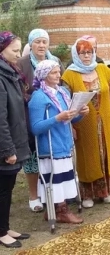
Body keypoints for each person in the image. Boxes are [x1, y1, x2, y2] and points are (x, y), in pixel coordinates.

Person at [62, 38, 110, 208]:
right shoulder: (69, 74)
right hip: (83, 122)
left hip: (105, 120)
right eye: (83, 52)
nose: (87, 56)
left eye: (89, 52)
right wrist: (71, 125)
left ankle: (105, 192)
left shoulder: (103, 69)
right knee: (87, 156)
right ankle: (87, 194)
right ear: (76, 54)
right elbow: (67, 102)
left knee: (105, 153)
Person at [28, 60, 88, 223]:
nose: (59, 75)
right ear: (44, 75)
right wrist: (56, 118)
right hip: (50, 146)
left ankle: (55, 210)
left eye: (58, 71)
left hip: (63, 143)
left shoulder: (62, 92)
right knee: (56, 181)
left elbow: (70, 118)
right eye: (54, 72)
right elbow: (35, 127)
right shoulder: (39, 97)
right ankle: (61, 211)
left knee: (63, 179)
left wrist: (81, 113)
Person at [17, 28, 65, 213]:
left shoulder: (55, 61)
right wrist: (36, 98)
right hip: (31, 115)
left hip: (54, 116)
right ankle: (33, 196)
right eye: (37, 41)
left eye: (44, 41)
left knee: (51, 156)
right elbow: (18, 90)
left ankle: (51, 193)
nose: (42, 45)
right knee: (33, 158)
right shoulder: (22, 64)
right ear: (30, 44)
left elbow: (61, 84)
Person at [0, 31, 31, 248]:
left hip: (14, 140)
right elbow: (0, 119)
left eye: (20, 49)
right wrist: (8, 150)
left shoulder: (10, 72)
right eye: (14, 50)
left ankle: (5, 226)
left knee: (7, 188)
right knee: (2, 189)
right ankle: (1, 232)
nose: (19, 54)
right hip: (5, 146)